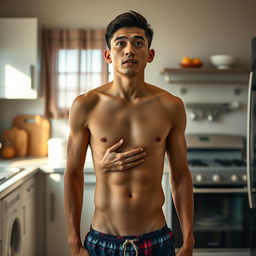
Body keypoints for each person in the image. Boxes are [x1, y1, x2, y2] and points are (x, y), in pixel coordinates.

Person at [64, 10, 194, 256]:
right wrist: (74, 243)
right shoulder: (86, 105)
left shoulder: (171, 106)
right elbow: (72, 174)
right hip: (103, 241)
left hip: (156, 240)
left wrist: (189, 240)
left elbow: (181, 175)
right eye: (120, 43)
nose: (129, 50)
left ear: (150, 54)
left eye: (138, 42)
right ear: (108, 55)